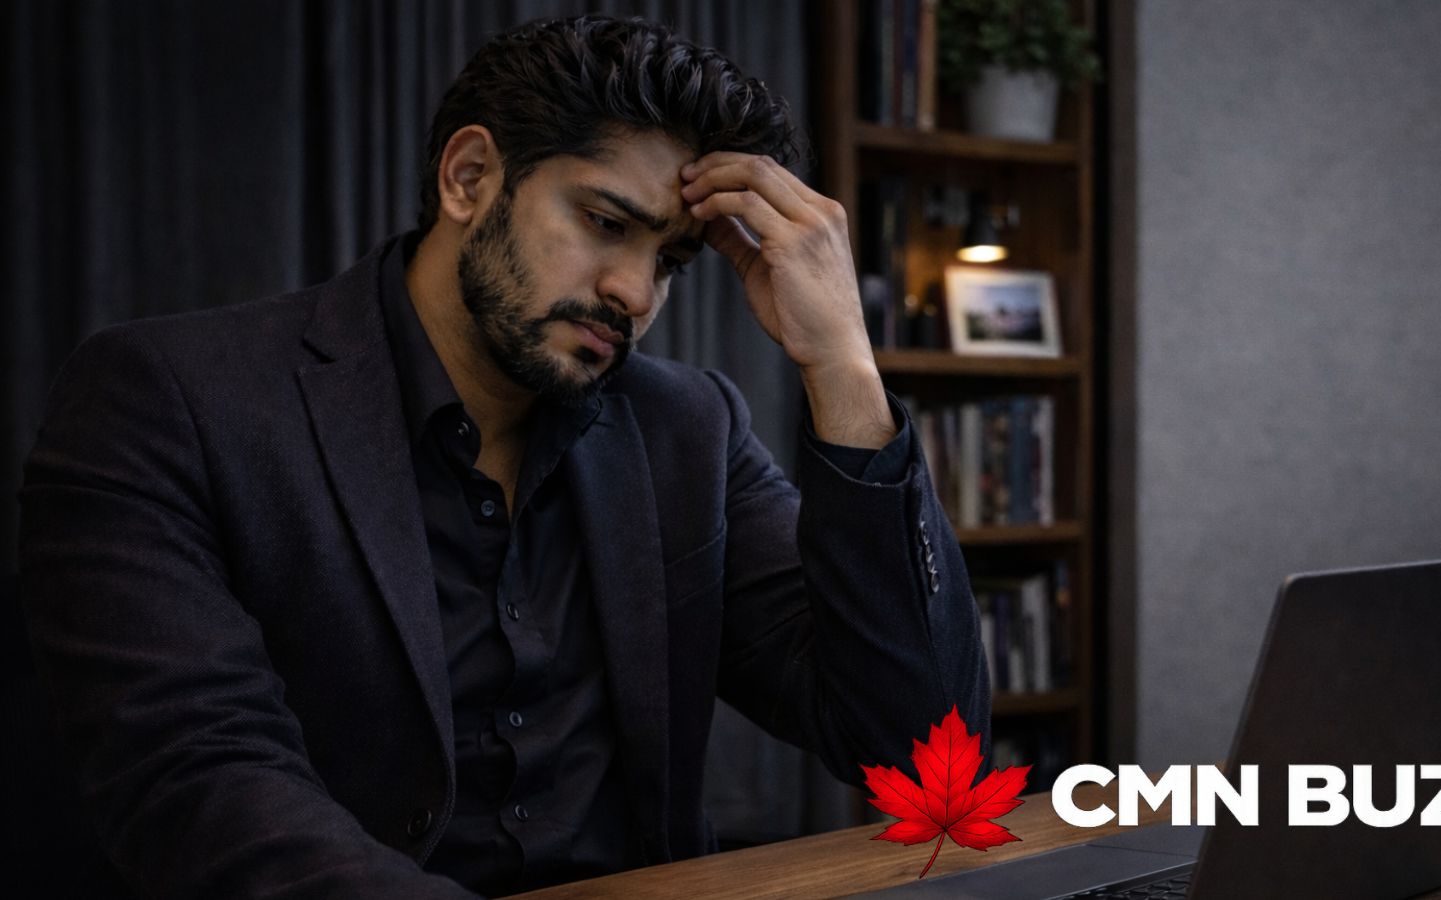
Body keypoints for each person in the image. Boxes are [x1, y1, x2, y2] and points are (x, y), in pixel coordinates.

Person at [18, 15, 987, 899]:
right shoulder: (172, 398)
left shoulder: (688, 428)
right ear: (469, 178)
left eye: (671, 260)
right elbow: (199, 784)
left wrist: (843, 368)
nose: (633, 292)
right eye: (606, 224)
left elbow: (919, 753)